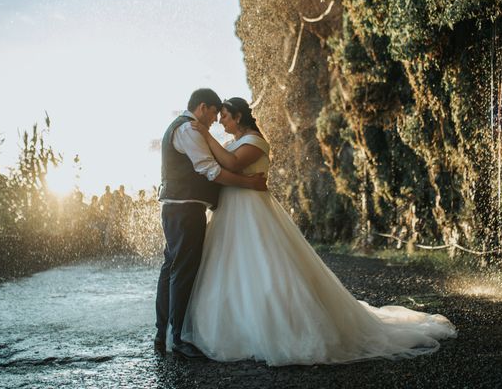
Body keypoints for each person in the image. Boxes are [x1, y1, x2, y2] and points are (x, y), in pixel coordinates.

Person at [181, 97, 457, 366]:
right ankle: (235, 323)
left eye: (225, 116)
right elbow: (220, 166)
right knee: (231, 265)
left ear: (238, 116)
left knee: (265, 263)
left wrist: (205, 135)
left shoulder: (255, 141)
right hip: (232, 209)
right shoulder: (234, 142)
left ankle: (279, 325)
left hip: (251, 210)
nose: (221, 121)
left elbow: (230, 163)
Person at [155, 89, 267, 359]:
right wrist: (250, 183)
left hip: (180, 208)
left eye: (222, 115)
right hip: (184, 209)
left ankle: (165, 333)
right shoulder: (188, 130)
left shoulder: (184, 128)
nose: (216, 119)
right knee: (182, 270)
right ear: (203, 107)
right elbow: (211, 170)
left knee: (172, 268)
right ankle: (177, 336)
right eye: (216, 112)